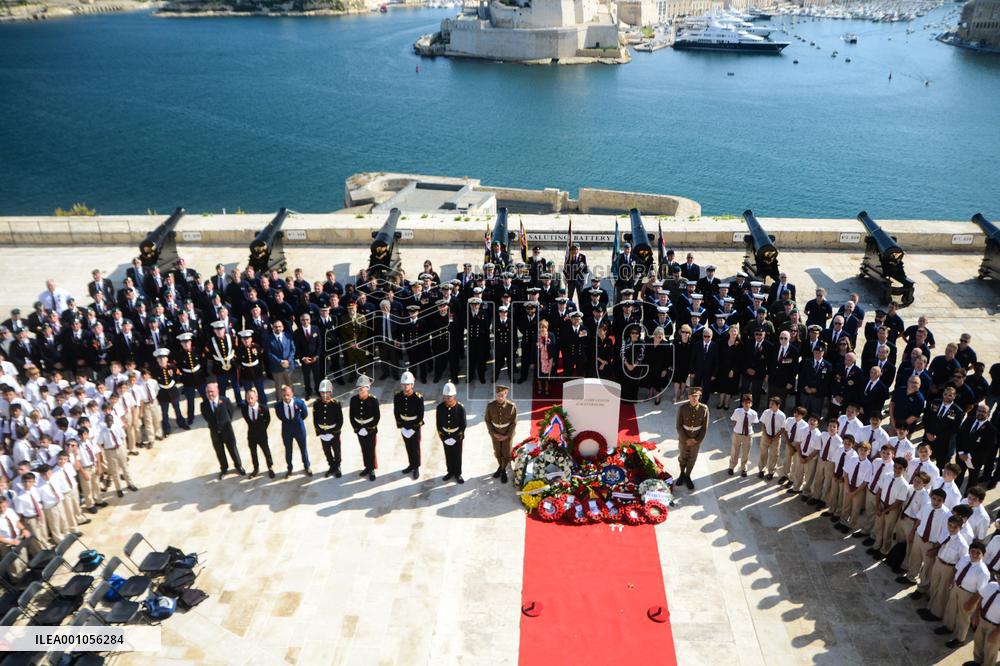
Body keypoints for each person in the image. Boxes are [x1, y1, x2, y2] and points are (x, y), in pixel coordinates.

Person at [200, 382, 245, 481]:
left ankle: (238, 466)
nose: (209, 394)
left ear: (217, 391)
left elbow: (230, 412)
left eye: (211, 391)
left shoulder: (225, 400)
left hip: (227, 430)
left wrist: (226, 423)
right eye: (207, 392)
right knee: (220, 451)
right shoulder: (204, 404)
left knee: (232, 449)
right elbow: (206, 417)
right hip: (215, 432)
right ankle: (224, 469)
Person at [675, 386, 709, 490]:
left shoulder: (704, 409)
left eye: (696, 396)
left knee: (692, 459)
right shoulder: (682, 408)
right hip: (684, 439)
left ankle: (688, 475)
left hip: (696, 440)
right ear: (688, 396)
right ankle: (681, 474)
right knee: (682, 457)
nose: (694, 398)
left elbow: (704, 428)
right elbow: (678, 426)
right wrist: (686, 439)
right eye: (692, 396)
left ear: (699, 396)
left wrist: (697, 440)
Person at [275, 383, 310, 479]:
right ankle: (289, 468)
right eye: (284, 395)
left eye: (288, 395)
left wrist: (298, 422)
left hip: (299, 429)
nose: (286, 397)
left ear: (292, 394)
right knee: (288, 450)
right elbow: (280, 416)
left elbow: (305, 414)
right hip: (287, 430)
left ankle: (307, 466)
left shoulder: (299, 403)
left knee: (303, 448)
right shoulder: (278, 406)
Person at [393, 372, 423, 480]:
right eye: (404, 384)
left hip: (414, 426)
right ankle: (411, 465)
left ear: (412, 385)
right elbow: (396, 411)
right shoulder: (398, 397)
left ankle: (416, 467)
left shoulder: (418, 398)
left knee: (415, 448)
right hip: (404, 425)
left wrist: (414, 428)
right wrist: (400, 426)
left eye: (408, 384)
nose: (406, 386)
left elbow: (420, 415)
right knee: (408, 447)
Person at [350, 374, 380, 481]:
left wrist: (368, 429)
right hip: (359, 429)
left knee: (371, 449)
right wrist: (357, 428)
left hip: (370, 429)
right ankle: (367, 466)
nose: (361, 391)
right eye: (359, 388)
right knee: (364, 448)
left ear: (367, 388)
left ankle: (371, 468)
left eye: (363, 388)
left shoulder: (373, 400)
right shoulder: (353, 400)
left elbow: (377, 417)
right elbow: (352, 416)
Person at [485, 384, 517, 483]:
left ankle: (503, 471)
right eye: (498, 395)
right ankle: (501, 467)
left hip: (507, 434)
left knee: (506, 453)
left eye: (502, 395)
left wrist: (507, 435)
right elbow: (487, 420)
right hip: (495, 434)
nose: (500, 398)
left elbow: (513, 422)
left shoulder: (511, 406)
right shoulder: (490, 406)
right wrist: (493, 433)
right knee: (497, 452)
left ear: (506, 394)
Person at [241, 387, 275, 479]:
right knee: (253, 452)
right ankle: (256, 468)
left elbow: (267, 419)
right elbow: (247, 419)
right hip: (251, 434)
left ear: (256, 397)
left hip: (262, 434)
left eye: (252, 398)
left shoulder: (263, 408)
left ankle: (270, 467)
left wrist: (263, 428)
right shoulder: (244, 408)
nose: (250, 400)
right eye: (248, 398)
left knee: (266, 450)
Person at [313, 379, 344, 479]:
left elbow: (340, 420)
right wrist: (320, 432)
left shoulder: (335, 404)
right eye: (322, 392)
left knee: (336, 450)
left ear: (331, 392)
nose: (324, 394)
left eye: (327, 392)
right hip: (323, 432)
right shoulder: (317, 404)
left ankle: (337, 466)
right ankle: (331, 466)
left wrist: (334, 433)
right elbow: (315, 419)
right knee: (326, 451)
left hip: (333, 432)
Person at [437, 382, 467, 484]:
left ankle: (457, 473)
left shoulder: (460, 408)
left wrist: (455, 438)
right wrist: (444, 437)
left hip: (456, 436)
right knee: (448, 454)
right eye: (446, 396)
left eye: (450, 396)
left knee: (457, 455)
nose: (448, 398)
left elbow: (463, 425)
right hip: (445, 435)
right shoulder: (440, 408)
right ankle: (450, 472)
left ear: (454, 396)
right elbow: (438, 424)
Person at [727, 393, 757, 477]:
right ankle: (731, 467)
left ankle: (744, 468)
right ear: (742, 403)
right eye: (745, 402)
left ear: (751, 404)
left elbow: (754, 423)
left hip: (748, 435)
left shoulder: (754, 413)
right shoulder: (737, 411)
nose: (747, 404)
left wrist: (747, 431)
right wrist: (738, 429)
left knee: (746, 453)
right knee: (734, 451)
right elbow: (734, 420)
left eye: (749, 402)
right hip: (737, 434)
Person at [236, 330, 267, 408]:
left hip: (257, 372)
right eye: (244, 339)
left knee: (260, 390)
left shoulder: (256, 347)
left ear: (251, 339)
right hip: (246, 373)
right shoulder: (239, 349)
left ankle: (263, 405)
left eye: (248, 338)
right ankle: (249, 406)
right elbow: (238, 362)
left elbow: (261, 358)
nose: (246, 340)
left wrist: (262, 369)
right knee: (248, 391)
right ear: (241, 340)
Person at [758, 396, 786, 481]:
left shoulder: (782, 415)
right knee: (763, 453)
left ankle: (771, 472)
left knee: (774, 455)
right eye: (770, 403)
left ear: (778, 405)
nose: (770, 405)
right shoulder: (766, 412)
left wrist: (774, 437)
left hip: (776, 437)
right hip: (766, 435)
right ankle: (761, 469)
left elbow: (782, 428)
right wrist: (766, 434)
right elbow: (763, 424)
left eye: (772, 404)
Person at [266, 320, 297, 396]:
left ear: (282, 327)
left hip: (288, 366)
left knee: (290, 385)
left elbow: (293, 349)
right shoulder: (268, 338)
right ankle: (279, 402)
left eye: (279, 326)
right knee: (278, 387)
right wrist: (280, 362)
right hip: (276, 367)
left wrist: (288, 361)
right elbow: (269, 353)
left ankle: (291, 399)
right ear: (272, 328)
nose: (278, 328)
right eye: (275, 327)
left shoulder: (288, 335)